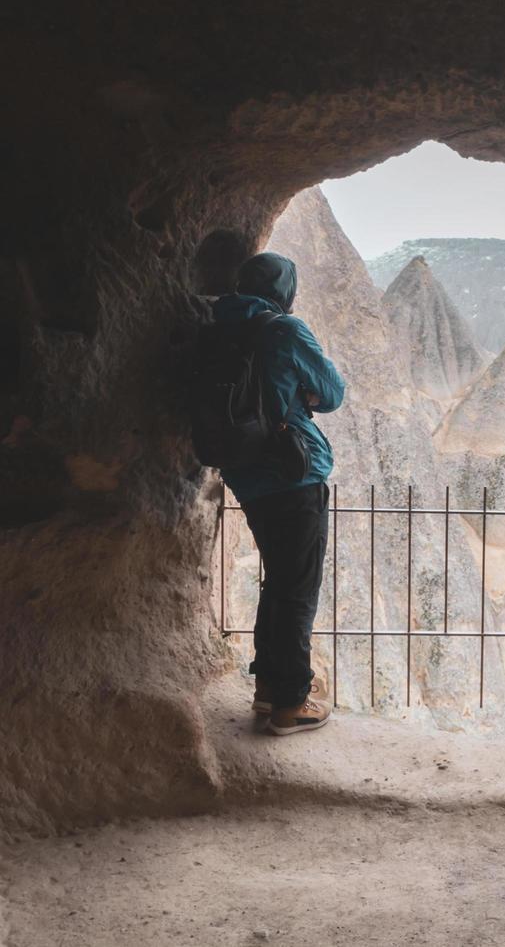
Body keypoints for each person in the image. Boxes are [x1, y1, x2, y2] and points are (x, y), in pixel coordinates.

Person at [214, 252, 345, 735]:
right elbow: (331, 394)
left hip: (246, 474)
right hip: (293, 473)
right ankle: (292, 701)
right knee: (297, 588)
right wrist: (303, 395)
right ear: (283, 289)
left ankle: (268, 688)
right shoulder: (284, 329)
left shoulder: (219, 328)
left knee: (279, 580)